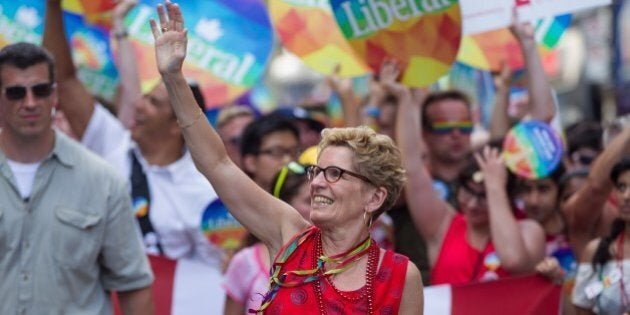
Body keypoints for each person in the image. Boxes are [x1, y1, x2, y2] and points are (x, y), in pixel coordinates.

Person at [150, 2, 424, 314]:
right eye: (317, 172)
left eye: (334, 173)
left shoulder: (402, 276)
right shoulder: (288, 234)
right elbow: (218, 164)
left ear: (375, 196)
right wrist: (174, 78)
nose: (317, 183)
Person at [42, 0, 225, 266]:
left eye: (153, 103)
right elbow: (65, 81)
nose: (138, 105)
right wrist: (53, 5)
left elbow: (207, 279)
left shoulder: (204, 192)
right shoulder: (111, 143)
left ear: (178, 123)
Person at [0, 42, 153, 314]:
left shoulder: (102, 180)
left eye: (41, 90)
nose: (30, 102)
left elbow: (133, 283)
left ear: (54, 95)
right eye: (15, 93)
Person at [389, 60, 545, 285]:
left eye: (482, 197)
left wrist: (494, 186)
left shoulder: (529, 230)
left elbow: (513, 261)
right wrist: (404, 99)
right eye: (467, 193)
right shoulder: (443, 225)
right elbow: (411, 168)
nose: (472, 204)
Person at [572, 158, 630, 315]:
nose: (626, 196)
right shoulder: (597, 251)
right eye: (621, 187)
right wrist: (607, 282)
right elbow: (583, 302)